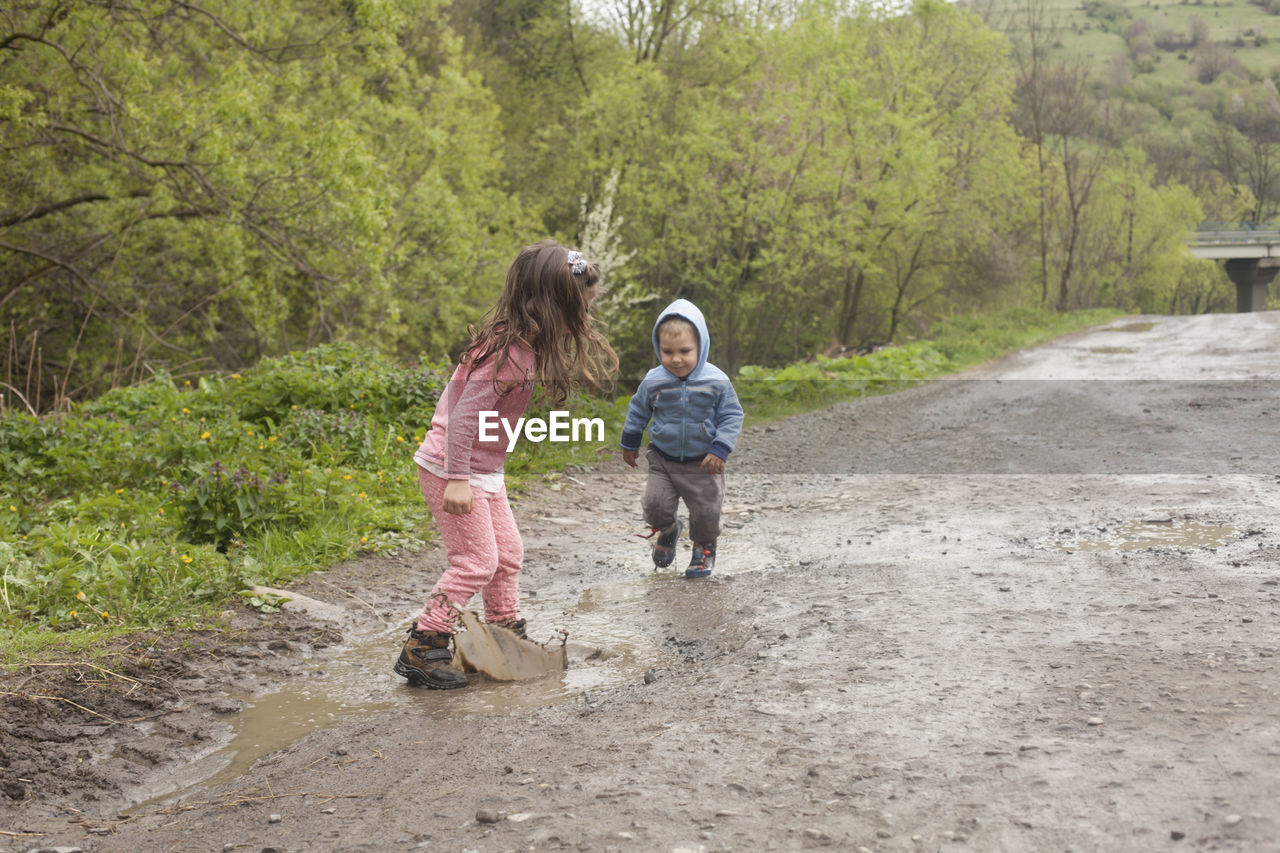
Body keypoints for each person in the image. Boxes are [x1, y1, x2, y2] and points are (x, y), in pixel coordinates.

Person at [395, 241, 617, 689]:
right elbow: (462, 419)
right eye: (579, 311)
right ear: (551, 305)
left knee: (508, 554)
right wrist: (458, 479)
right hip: (450, 468)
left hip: (481, 471)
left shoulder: (525, 346)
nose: (583, 322)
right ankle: (423, 643)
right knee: (476, 562)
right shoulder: (507, 353)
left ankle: (503, 632)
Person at [620, 299, 744, 578]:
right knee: (654, 507)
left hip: (704, 462)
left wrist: (721, 448)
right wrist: (630, 443)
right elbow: (639, 410)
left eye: (685, 351)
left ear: (701, 347)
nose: (676, 359)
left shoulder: (717, 381)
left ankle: (704, 548)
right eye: (668, 352)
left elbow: (732, 415)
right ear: (658, 349)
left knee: (705, 512)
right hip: (663, 459)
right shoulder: (654, 380)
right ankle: (668, 529)